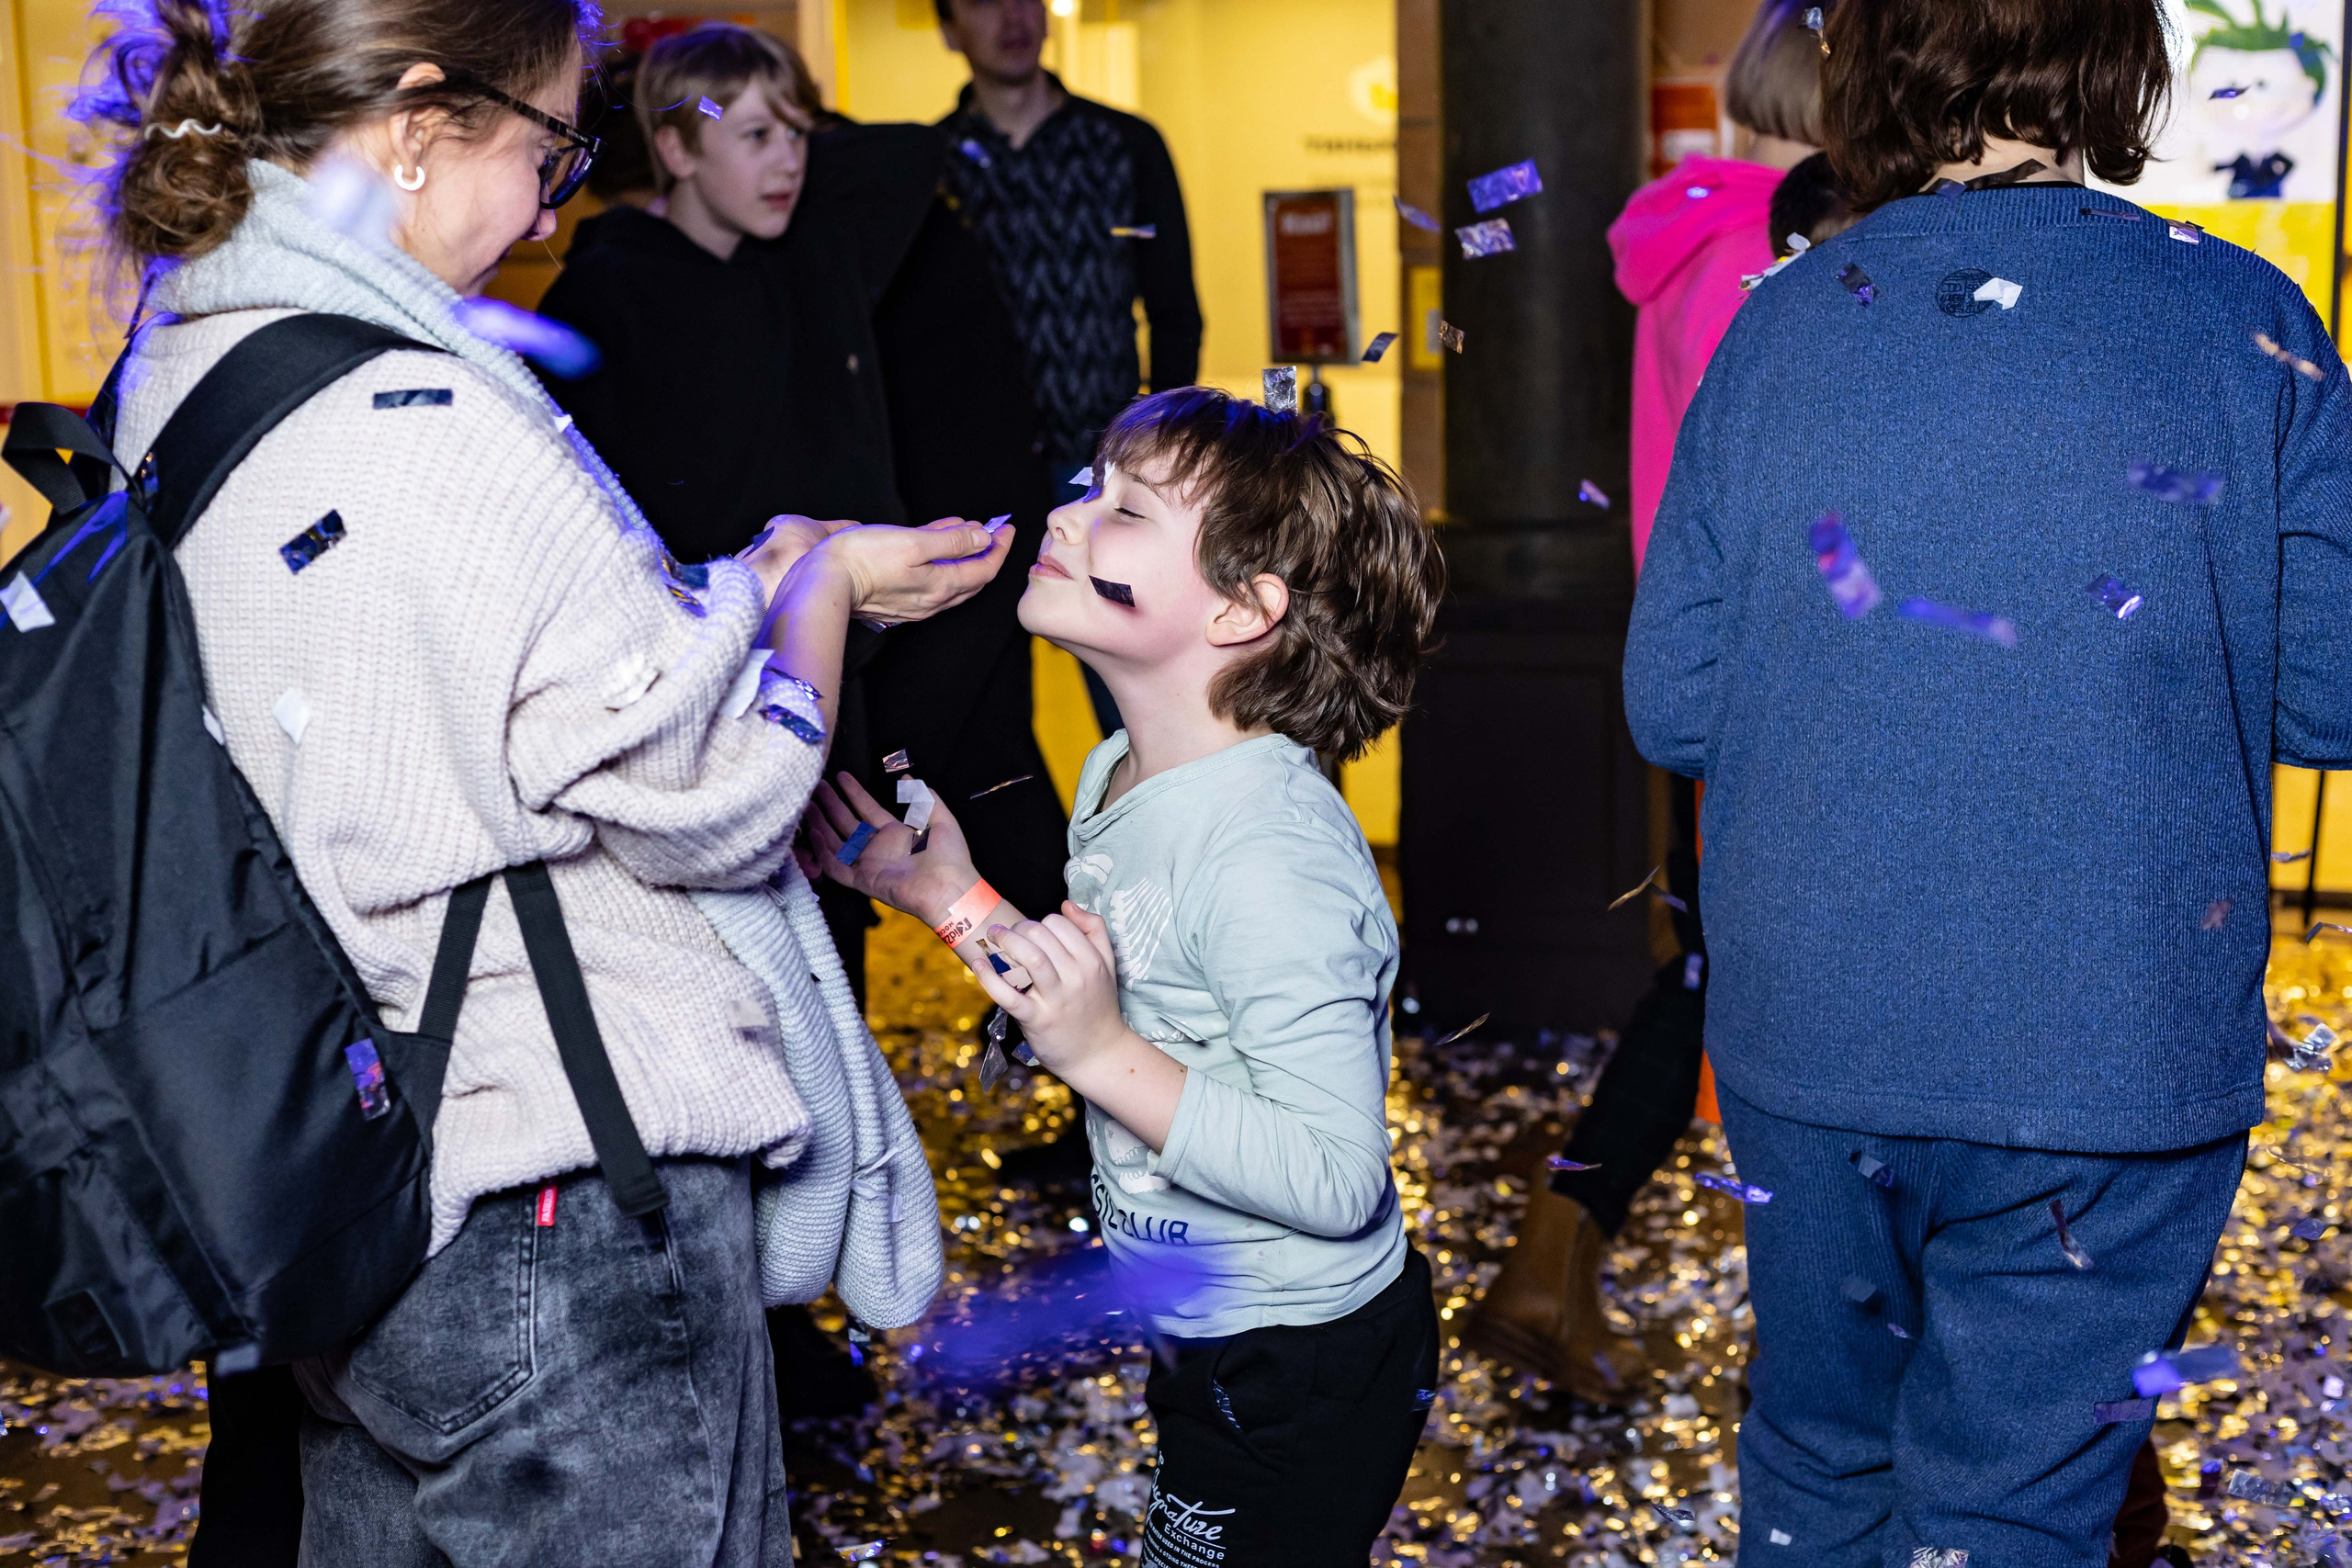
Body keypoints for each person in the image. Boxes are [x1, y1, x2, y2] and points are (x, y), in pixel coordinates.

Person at [75, 0, 1008, 1559]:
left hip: (360, 1156)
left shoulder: (187, 353)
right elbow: (714, 787)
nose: (555, 200)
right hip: (556, 1180)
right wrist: (817, 590)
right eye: (550, 145)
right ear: (422, 121)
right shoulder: (424, 411)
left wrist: (744, 581)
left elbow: (459, 682)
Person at [1623, 0, 2352, 1561]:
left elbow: (1672, 699)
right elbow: (2331, 694)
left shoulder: (1780, 319)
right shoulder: (2249, 320)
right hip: (2119, 1036)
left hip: (1816, 1030)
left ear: (1870, 65)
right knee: (2020, 1501)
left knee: (1820, 1459)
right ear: (2124, 64)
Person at [808, 387, 1446, 1563]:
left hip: (1295, 1356)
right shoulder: (1118, 772)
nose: (1066, 517)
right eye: (1089, 488)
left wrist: (1099, 1054)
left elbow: (1333, 1175)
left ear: (1243, 610)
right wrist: (949, 899)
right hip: (1203, 1324)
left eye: (1126, 511)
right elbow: (1119, 979)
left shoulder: (1271, 856)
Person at [1467, 0, 1832, 1407]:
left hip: (1703, 668)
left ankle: (1551, 1258)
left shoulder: (1690, 243)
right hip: (1780, 683)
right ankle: (1564, 1264)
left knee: (1709, 979)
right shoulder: (1781, 257)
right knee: (1742, 991)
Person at [933, 0, 1202, 735]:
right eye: (983, 3)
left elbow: (1174, 310)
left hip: (1107, 465)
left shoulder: (1124, 143)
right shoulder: (933, 162)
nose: (1012, 16)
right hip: (977, 475)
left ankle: (1163, 841)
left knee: (1137, 699)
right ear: (948, 27)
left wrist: (1165, 453)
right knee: (980, 703)